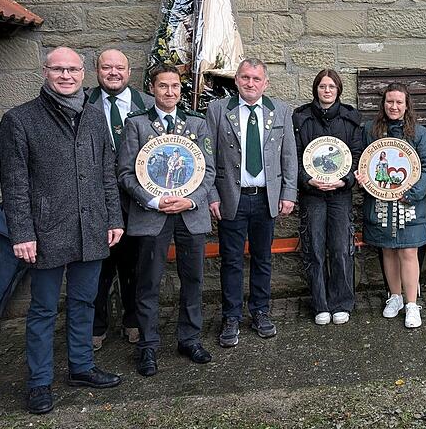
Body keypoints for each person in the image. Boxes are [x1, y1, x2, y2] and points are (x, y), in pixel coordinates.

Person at [0, 46, 124, 415]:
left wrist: (113, 218)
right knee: (43, 309)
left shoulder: (95, 116)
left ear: (83, 73)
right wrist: (21, 233)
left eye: (72, 70)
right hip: (45, 231)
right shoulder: (19, 120)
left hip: (91, 227)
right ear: (45, 72)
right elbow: (15, 184)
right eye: (58, 69)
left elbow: (105, 172)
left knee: (85, 302)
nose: (66, 76)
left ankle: (81, 367)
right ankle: (39, 382)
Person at [118, 64, 216, 377]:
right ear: (152, 88)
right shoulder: (135, 125)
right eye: (163, 86)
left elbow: (209, 170)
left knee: (194, 280)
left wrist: (191, 199)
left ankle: (189, 339)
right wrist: (152, 199)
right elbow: (124, 173)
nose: (170, 92)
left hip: (190, 214)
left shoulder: (197, 124)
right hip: (151, 215)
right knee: (147, 282)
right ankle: (147, 346)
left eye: (175, 86)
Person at [207, 58, 297, 345]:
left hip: (265, 199)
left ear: (265, 83)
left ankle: (260, 311)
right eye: (245, 77)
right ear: (236, 80)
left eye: (256, 79)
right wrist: (211, 195)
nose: (250, 83)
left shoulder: (280, 110)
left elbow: (289, 156)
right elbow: (208, 157)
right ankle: (231, 316)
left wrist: (288, 193)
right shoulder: (218, 110)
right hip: (231, 198)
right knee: (231, 260)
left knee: (263, 259)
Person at [85, 48, 154, 351]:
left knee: (135, 265)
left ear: (129, 71)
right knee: (98, 267)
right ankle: (97, 326)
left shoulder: (148, 105)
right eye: (106, 67)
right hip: (96, 200)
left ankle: (133, 320)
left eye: (119, 68)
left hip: (137, 200)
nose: (113, 73)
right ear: (96, 70)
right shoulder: (82, 105)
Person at [356, 83, 426, 328]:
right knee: (387, 249)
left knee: (408, 250)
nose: (394, 106)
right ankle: (395, 297)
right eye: (390, 102)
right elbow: (362, 161)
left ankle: (412, 304)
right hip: (379, 201)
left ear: (407, 104)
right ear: (383, 104)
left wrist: (411, 194)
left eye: (399, 102)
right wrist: (362, 178)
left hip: (410, 203)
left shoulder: (419, 133)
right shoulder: (370, 130)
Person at [293, 69, 363, 326]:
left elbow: (357, 156)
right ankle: (320, 304)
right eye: (322, 86)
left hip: (340, 193)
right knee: (315, 247)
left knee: (340, 248)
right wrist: (306, 180)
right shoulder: (301, 118)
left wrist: (346, 180)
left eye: (331, 86)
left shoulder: (350, 118)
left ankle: (341, 302)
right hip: (312, 193)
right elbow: (295, 154)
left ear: (338, 90)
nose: (327, 90)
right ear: (316, 89)